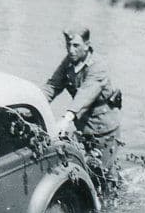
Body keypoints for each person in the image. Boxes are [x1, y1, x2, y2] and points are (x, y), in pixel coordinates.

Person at [42, 27, 122, 192]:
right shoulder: (69, 62)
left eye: (76, 45)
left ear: (87, 45)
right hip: (83, 127)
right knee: (86, 171)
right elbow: (52, 86)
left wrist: (66, 119)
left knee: (105, 178)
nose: (71, 50)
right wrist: (34, 101)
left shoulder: (98, 66)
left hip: (104, 131)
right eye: (68, 45)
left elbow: (85, 93)